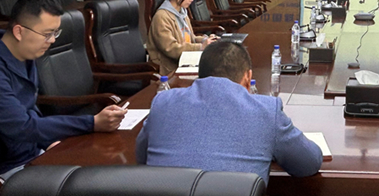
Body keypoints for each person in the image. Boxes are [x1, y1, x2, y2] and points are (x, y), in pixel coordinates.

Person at [0, 0, 126, 176]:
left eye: (55, 33)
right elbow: (22, 127)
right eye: (47, 34)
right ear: (19, 32)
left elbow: (29, 109)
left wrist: (47, 143)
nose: (52, 40)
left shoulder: (24, 53)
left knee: (103, 170)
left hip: (30, 154)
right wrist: (92, 122)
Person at [136, 41, 323, 184]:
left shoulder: (162, 102)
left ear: (199, 74)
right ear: (248, 77)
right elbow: (309, 163)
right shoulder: (266, 110)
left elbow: (141, 155)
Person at [147, 0, 218, 75]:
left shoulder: (182, 12)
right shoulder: (161, 16)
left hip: (185, 61)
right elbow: (171, 48)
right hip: (169, 68)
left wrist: (206, 40)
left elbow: (191, 38)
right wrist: (201, 47)